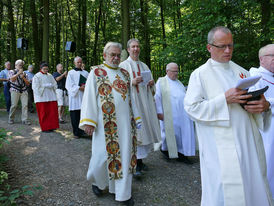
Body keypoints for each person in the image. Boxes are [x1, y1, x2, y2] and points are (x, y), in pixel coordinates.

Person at [184, 26, 273, 206]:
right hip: (219, 148)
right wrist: (224, 99)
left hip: (248, 143)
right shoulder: (200, 74)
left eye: (231, 46)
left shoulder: (242, 72)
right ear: (209, 47)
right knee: (223, 192)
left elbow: (256, 104)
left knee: (252, 185)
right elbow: (191, 108)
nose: (227, 51)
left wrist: (263, 106)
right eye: (222, 46)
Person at [79, 42, 141, 206]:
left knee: (125, 157)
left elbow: (130, 98)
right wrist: (88, 121)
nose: (115, 58)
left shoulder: (125, 74)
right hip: (104, 125)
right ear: (104, 55)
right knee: (101, 158)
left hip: (126, 126)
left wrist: (137, 118)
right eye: (112, 54)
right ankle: (97, 182)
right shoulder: (96, 72)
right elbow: (90, 97)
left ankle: (123, 194)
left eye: (117, 55)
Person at [119, 39, 161, 177]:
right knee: (135, 132)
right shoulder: (123, 66)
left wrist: (151, 83)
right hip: (132, 104)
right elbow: (119, 86)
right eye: (133, 47)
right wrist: (132, 81)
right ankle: (134, 164)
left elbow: (152, 87)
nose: (136, 49)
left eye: (137, 46)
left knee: (144, 132)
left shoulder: (144, 65)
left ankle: (141, 161)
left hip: (144, 104)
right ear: (128, 49)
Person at [154, 62, 195, 164]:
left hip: (182, 114)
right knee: (170, 134)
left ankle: (182, 153)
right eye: (174, 71)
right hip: (169, 114)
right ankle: (165, 151)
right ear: (167, 71)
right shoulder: (161, 82)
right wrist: (159, 112)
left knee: (183, 134)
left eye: (177, 71)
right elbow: (157, 98)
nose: (176, 73)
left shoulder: (179, 82)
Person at [249, 44, 274, 200]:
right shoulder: (253, 77)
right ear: (261, 59)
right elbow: (255, 105)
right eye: (273, 56)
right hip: (267, 133)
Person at [65, 56, 89, 138]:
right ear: (74, 63)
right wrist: (79, 88)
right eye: (78, 62)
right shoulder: (71, 73)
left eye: (80, 62)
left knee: (82, 115)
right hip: (75, 97)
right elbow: (68, 85)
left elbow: (89, 84)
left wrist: (86, 87)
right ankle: (76, 132)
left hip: (83, 96)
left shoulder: (86, 73)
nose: (79, 63)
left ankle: (82, 131)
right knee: (75, 115)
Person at [32, 62, 59, 132]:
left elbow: (55, 84)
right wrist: (44, 86)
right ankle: (45, 127)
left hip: (51, 96)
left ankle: (52, 126)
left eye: (47, 69)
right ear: (41, 68)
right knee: (43, 113)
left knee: (51, 112)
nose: (46, 70)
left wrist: (52, 86)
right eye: (44, 69)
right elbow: (35, 87)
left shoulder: (50, 75)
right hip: (42, 98)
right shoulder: (36, 76)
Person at [8, 59, 31, 125]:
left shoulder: (25, 73)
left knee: (25, 105)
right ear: (15, 65)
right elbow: (11, 79)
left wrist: (23, 77)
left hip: (23, 90)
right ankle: (11, 118)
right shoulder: (11, 71)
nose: (21, 66)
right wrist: (18, 73)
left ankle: (25, 119)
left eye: (22, 65)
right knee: (14, 105)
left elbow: (28, 83)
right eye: (19, 65)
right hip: (15, 90)